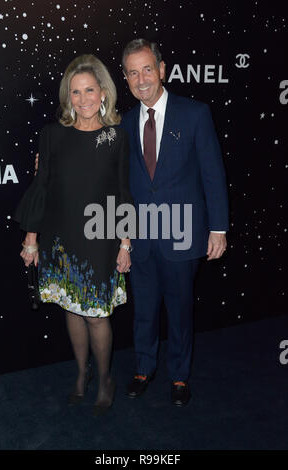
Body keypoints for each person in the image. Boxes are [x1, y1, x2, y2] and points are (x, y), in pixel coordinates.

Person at [14, 54, 132, 415]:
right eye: (75, 92)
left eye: (90, 91)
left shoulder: (116, 137)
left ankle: (106, 378)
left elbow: (124, 194)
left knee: (96, 314)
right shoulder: (53, 135)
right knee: (72, 308)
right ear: (68, 96)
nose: (83, 100)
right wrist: (31, 240)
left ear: (103, 93)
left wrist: (126, 243)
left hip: (100, 238)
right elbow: (41, 190)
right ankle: (82, 375)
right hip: (60, 239)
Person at [121, 39, 229, 406]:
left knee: (181, 310)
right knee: (144, 309)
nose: (141, 79)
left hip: (184, 234)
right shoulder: (122, 122)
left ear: (162, 70)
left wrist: (218, 228)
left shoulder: (194, 113)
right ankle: (143, 368)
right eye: (133, 72)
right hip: (141, 237)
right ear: (125, 78)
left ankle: (180, 376)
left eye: (147, 69)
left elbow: (213, 174)